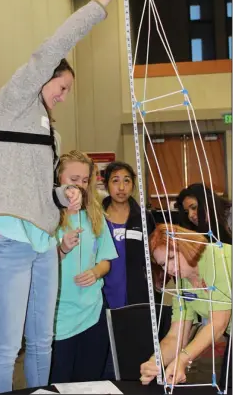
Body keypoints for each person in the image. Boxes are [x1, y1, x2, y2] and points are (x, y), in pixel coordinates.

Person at [0, 0, 123, 394]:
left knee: (42, 343)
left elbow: (44, 191)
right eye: (62, 86)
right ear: (44, 77)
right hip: (8, 242)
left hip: (43, 244)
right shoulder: (13, 102)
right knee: (7, 349)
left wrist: (66, 194)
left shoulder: (50, 133)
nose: (64, 95)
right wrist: (100, 3)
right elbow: (52, 47)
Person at [49, 151, 117, 384]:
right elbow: (35, 265)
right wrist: (62, 248)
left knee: (89, 382)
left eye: (85, 180)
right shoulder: (47, 216)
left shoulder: (95, 215)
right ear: (58, 178)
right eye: (73, 179)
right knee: (59, 381)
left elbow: (106, 260)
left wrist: (96, 272)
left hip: (92, 313)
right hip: (57, 317)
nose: (80, 185)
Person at [140, 224, 231, 390]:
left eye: (171, 257)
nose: (168, 268)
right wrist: (155, 362)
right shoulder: (181, 280)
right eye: (162, 264)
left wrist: (182, 360)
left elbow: (218, 324)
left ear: (186, 246)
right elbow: (176, 335)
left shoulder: (216, 258)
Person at [102, 161, 158, 308]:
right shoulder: (96, 217)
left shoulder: (143, 217)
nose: (121, 187)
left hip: (138, 294)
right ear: (106, 185)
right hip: (102, 293)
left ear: (133, 185)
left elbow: (155, 257)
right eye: (115, 181)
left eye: (126, 181)